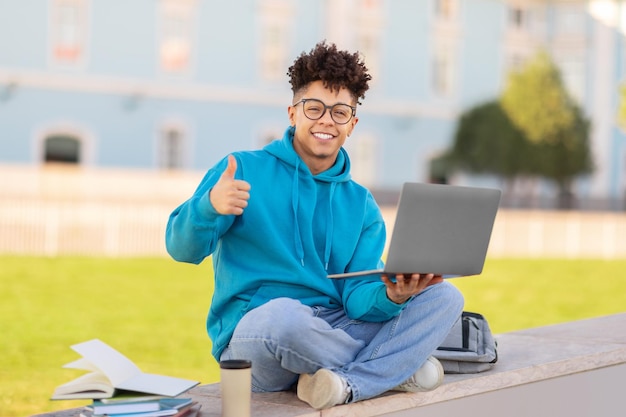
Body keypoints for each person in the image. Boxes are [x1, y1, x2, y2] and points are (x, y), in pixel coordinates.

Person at [165, 41, 464, 409]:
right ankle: (394, 369)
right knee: (285, 316)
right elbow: (181, 249)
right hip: (259, 336)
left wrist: (393, 296)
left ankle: (345, 383)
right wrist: (209, 208)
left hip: (334, 327)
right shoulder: (240, 170)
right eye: (314, 108)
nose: (326, 120)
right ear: (293, 113)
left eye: (340, 112)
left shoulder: (361, 204)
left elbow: (357, 300)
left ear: (352, 124)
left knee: (444, 296)